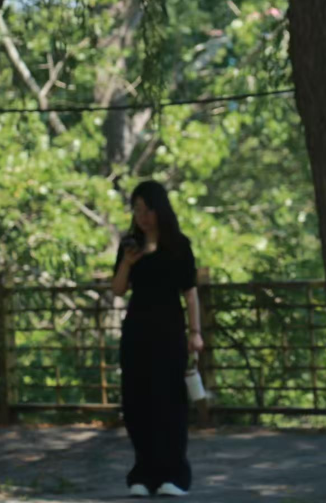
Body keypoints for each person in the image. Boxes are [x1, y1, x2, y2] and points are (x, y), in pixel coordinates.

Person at [111, 181, 203, 497]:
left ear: (159, 209)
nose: (143, 216)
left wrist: (195, 333)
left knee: (169, 403)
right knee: (137, 403)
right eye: (137, 210)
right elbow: (118, 289)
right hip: (137, 333)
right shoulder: (130, 246)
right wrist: (127, 263)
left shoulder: (178, 245)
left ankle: (174, 475)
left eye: (148, 209)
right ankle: (143, 473)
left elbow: (190, 293)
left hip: (169, 333)